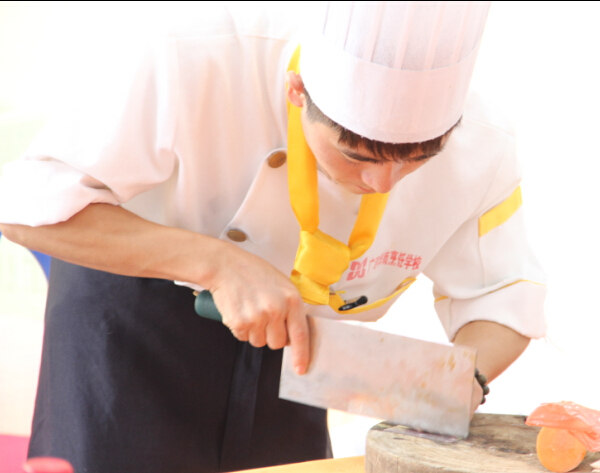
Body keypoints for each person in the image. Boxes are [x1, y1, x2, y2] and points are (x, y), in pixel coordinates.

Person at [0, 3, 547, 473]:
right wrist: (215, 263)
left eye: (419, 158)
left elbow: (504, 295)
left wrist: (464, 379)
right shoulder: (192, 54)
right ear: (296, 90)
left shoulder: (484, 143)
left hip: (296, 347)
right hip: (129, 326)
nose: (383, 183)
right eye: (355, 155)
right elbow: (23, 205)